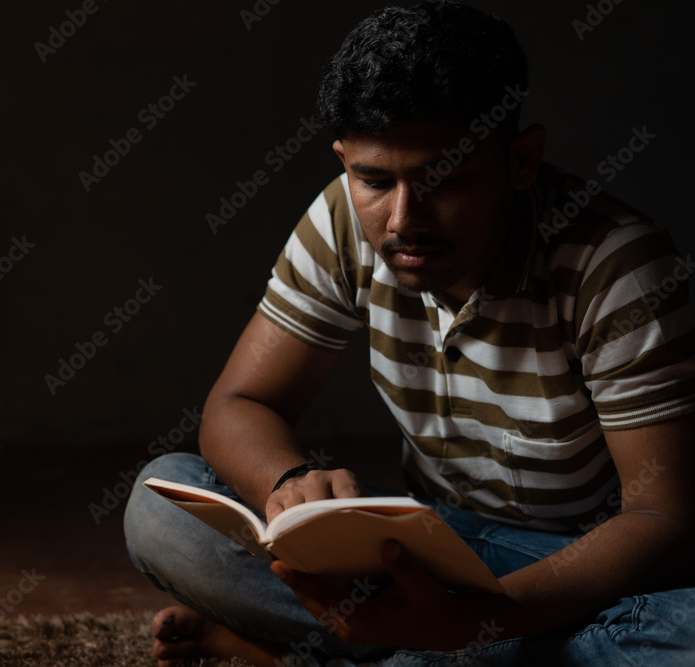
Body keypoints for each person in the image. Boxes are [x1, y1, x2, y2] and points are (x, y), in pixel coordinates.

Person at [124, 1, 695, 665]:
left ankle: (344, 653)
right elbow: (239, 405)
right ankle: (430, 648)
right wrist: (289, 481)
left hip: (579, 569)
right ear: (345, 163)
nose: (402, 219)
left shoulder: (618, 266)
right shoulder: (343, 218)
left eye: (444, 179)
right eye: (372, 179)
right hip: (423, 548)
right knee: (161, 505)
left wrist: (479, 617)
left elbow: (664, 520)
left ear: (521, 159)